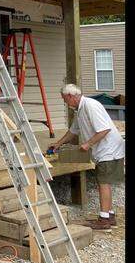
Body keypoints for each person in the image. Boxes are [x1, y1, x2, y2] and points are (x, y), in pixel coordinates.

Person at [49, 83, 125, 231]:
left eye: (65, 99)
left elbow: (104, 129)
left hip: (109, 150)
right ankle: (110, 216)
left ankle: (104, 221)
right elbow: (72, 131)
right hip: (105, 151)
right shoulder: (80, 110)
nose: (65, 103)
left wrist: (87, 144)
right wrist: (58, 144)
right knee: (105, 183)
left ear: (71, 96)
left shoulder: (90, 106)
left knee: (104, 183)